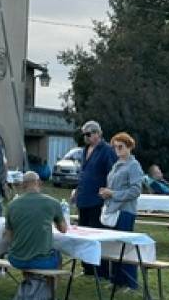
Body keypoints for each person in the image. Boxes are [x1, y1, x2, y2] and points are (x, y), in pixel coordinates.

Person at [71, 120, 117, 277]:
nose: (86, 137)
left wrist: (108, 191)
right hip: (84, 198)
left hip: (97, 199)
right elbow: (84, 173)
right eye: (84, 135)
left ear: (98, 133)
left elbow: (112, 174)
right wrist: (77, 189)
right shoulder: (85, 150)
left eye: (89, 134)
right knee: (83, 233)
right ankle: (87, 268)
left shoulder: (107, 150)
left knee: (96, 234)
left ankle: (101, 270)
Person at [99, 132, 144, 290]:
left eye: (121, 146)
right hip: (113, 209)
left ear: (129, 146)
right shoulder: (116, 164)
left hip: (125, 211)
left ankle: (130, 283)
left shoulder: (134, 165)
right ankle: (116, 280)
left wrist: (113, 194)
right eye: (115, 147)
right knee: (114, 246)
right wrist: (106, 192)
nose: (117, 150)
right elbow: (115, 186)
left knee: (125, 246)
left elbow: (135, 191)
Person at [6, 172, 67, 272]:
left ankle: (30, 282)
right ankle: (51, 286)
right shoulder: (53, 203)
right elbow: (63, 230)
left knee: (28, 259)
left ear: (23, 185)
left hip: (16, 259)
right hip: (41, 261)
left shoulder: (11, 205)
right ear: (39, 183)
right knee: (57, 256)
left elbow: (8, 237)